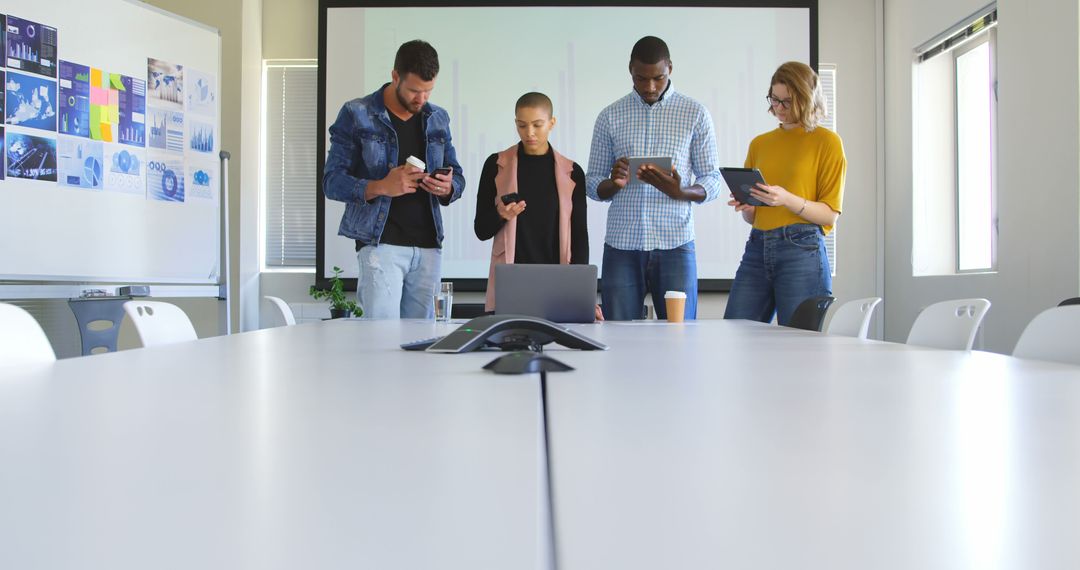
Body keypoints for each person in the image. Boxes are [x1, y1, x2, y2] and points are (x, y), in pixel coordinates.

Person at [322, 40, 465, 319]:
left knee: (423, 347)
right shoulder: (356, 113)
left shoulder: (438, 118)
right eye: (414, 90)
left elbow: (457, 175)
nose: (421, 99)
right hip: (380, 246)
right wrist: (381, 186)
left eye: (428, 91)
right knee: (379, 343)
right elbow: (332, 181)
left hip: (429, 247)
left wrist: (449, 188)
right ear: (395, 76)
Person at [585, 36, 721, 321]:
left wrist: (681, 192)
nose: (649, 87)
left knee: (681, 337)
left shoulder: (695, 114)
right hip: (622, 245)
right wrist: (613, 183)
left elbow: (712, 179)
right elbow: (592, 182)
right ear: (630, 70)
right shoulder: (609, 116)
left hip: (676, 243)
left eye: (658, 78)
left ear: (670, 68)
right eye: (640, 78)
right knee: (619, 338)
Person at [723, 61, 847, 326]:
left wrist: (786, 198)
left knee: (798, 349)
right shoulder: (760, 143)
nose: (778, 108)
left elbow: (829, 215)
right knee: (735, 334)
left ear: (806, 99)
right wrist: (748, 206)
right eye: (774, 99)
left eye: (787, 102)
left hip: (802, 249)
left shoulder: (827, 142)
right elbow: (754, 218)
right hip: (757, 247)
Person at [474, 92, 600, 319]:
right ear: (515, 123)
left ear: (552, 123)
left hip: (558, 283)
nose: (529, 133)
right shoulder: (496, 165)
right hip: (510, 283)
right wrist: (500, 214)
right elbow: (481, 230)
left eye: (537, 125)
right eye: (522, 125)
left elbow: (580, 235)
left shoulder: (572, 172)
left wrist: (583, 292)